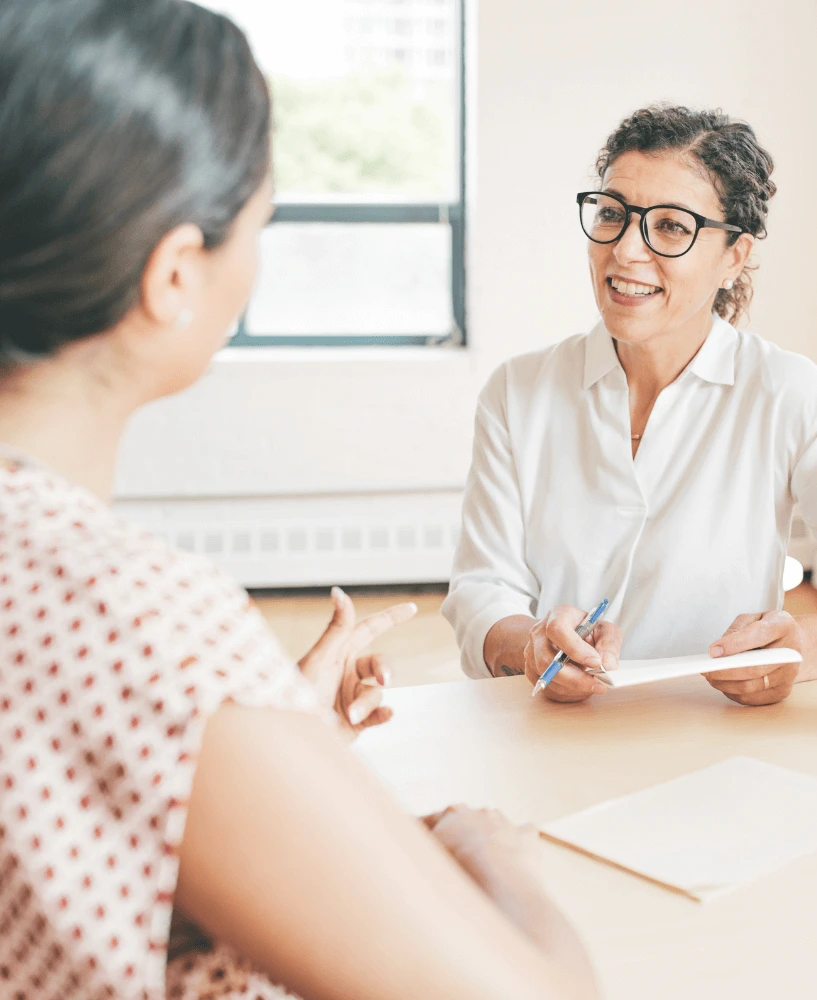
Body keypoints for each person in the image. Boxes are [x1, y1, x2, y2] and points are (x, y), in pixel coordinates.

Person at [0, 1, 599, 998]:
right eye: (261, 225)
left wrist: (262, 730)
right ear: (176, 274)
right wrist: (489, 852)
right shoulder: (141, 623)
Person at [443, 104, 817, 706]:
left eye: (671, 226)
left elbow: (801, 645)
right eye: (613, 214)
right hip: (552, 732)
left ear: (735, 257)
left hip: (717, 731)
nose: (624, 252)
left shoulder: (789, 392)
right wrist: (531, 643)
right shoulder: (518, 392)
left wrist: (796, 652)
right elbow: (483, 588)